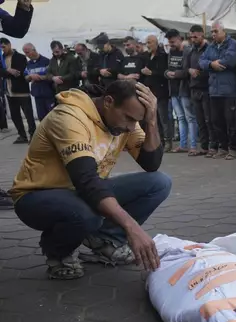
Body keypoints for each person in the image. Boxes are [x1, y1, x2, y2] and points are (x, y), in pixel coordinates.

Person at [9, 81, 170, 280]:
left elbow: (151, 164)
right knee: (86, 215)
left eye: (136, 121)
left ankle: (105, 241)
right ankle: (57, 253)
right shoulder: (69, 117)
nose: (130, 127)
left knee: (159, 183)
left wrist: (152, 121)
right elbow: (86, 180)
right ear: (109, 101)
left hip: (82, 190)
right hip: (37, 195)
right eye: (128, 118)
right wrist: (132, 227)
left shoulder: (126, 122)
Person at [199, 21, 236, 160]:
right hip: (214, 90)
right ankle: (222, 147)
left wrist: (217, 63)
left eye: (216, 31)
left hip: (229, 90)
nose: (213, 34)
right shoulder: (210, 46)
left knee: (230, 121)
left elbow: (230, 60)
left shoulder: (232, 44)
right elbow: (202, 61)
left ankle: (233, 148)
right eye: (212, 32)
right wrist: (212, 64)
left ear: (223, 31)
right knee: (216, 121)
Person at [165, 29, 198, 155]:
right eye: (169, 42)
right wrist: (167, 73)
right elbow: (168, 68)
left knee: (190, 118)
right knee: (180, 118)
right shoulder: (171, 52)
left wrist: (175, 74)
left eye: (173, 41)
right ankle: (183, 145)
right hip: (173, 90)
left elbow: (187, 71)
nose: (171, 44)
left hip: (185, 89)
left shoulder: (188, 51)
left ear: (180, 38)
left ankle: (193, 145)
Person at [0, 38, 35, 144]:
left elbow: (19, 72)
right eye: (1, 48)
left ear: (9, 45)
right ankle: (22, 135)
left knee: (28, 115)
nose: (3, 50)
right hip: (9, 92)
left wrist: (6, 72)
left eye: (4, 47)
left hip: (21, 91)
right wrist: (8, 70)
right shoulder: (1, 59)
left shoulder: (20, 57)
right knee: (15, 116)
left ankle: (33, 135)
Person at [186, 25, 213, 156]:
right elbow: (186, 67)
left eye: (195, 36)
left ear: (202, 35)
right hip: (194, 89)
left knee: (209, 120)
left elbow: (212, 68)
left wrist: (200, 73)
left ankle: (213, 146)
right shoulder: (192, 51)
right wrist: (189, 70)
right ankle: (204, 146)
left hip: (206, 88)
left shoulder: (209, 49)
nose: (193, 39)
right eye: (191, 37)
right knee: (200, 120)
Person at [141, 35, 171, 151]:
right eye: (146, 43)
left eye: (150, 43)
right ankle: (160, 141)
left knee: (164, 118)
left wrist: (151, 72)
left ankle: (168, 141)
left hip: (161, 91)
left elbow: (164, 73)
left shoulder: (163, 56)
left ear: (156, 43)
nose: (148, 45)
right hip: (150, 91)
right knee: (154, 119)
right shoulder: (146, 56)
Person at [23, 43, 55, 121]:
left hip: (48, 94)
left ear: (34, 50)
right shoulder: (28, 64)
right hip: (37, 95)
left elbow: (52, 76)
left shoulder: (47, 61)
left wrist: (40, 77)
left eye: (27, 52)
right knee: (42, 118)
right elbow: (26, 77)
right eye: (25, 53)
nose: (26, 55)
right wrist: (30, 76)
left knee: (52, 118)